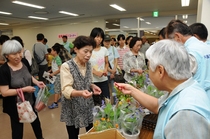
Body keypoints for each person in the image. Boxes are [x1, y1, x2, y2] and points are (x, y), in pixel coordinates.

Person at [115, 40, 210, 139]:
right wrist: (132, 90)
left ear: (160, 71)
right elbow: (158, 106)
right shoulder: (186, 88)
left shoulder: (185, 114)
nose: (148, 72)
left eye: (149, 67)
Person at [0, 40, 45, 139]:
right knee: (17, 130)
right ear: (6, 55)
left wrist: (36, 82)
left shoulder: (24, 61)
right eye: (14, 54)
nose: (18, 56)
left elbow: (28, 75)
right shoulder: (4, 70)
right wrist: (24, 89)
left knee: (36, 124)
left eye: (20, 52)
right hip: (15, 105)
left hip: (30, 101)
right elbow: (4, 92)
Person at [60, 36, 101, 139]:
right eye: (85, 51)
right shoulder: (66, 66)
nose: (88, 55)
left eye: (91, 52)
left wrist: (92, 86)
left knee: (91, 132)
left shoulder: (89, 64)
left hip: (87, 104)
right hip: (72, 107)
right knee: (73, 135)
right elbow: (66, 89)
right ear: (76, 49)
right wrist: (80, 93)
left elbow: (88, 81)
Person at [166, 19, 210, 98]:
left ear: (177, 36)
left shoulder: (187, 53)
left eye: (171, 42)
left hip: (196, 99)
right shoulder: (206, 46)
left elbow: (180, 83)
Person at [89, 27, 110, 106]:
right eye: (97, 37)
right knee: (95, 103)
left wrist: (105, 70)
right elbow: (85, 66)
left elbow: (107, 63)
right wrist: (95, 72)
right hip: (92, 81)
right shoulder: (89, 50)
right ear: (92, 37)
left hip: (104, 80)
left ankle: (107, 117)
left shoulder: (104, 49)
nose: (99, 39)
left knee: (106, 100)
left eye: (101, 37)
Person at [103, 34, 120, 103]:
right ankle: (108, 105)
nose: (107, 42)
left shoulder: (113, 49)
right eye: (105, 41)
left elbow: (116, 60)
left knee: (114, 91)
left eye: (108, 41)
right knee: (107, 91)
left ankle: (116, 105)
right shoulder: (102, 50)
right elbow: (103, 63)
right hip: (105, 73)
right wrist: (110, 70)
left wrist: (113, 71)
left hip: (114, 72)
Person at [48, 44, 62, 109]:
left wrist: (53, 74)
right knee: (60, 88)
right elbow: (54, 67)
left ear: (55, 51)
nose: (51, 51)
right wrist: (50, 71)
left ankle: (55, 103)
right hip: (55, 75)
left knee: (56, 89)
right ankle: (63, 99)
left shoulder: (58, 59)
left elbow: (60, 69)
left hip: (58, 76)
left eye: (52, 50)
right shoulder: (54, 58)